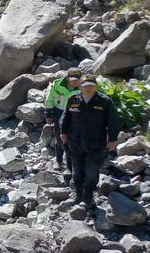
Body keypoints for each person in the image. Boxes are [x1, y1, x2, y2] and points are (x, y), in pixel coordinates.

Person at [60, 74, 119, 210]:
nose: (88, 89)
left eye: (91, 86)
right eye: (85, 86)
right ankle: (78, 195)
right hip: (76, 141)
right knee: (77, 170)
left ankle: (88, 195)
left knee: (92, 171)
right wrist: (63, 133)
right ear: (80, 87)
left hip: (96, 142)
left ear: (95, 86)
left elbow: (113, 121)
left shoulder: (105, 101)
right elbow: (66, 117)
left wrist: (112, 139)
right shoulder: (73, 99)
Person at [44, 68, 81, 172]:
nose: (75, 82)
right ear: (67, 78)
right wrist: (48, 114)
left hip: (74, 115)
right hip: (58, 112)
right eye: (73, 79)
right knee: (59, 137)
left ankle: (71, 166)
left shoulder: (82, 87)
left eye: (77, 80)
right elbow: (50, 99)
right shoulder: (57, 84)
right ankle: (58, 161)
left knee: (72, 139)